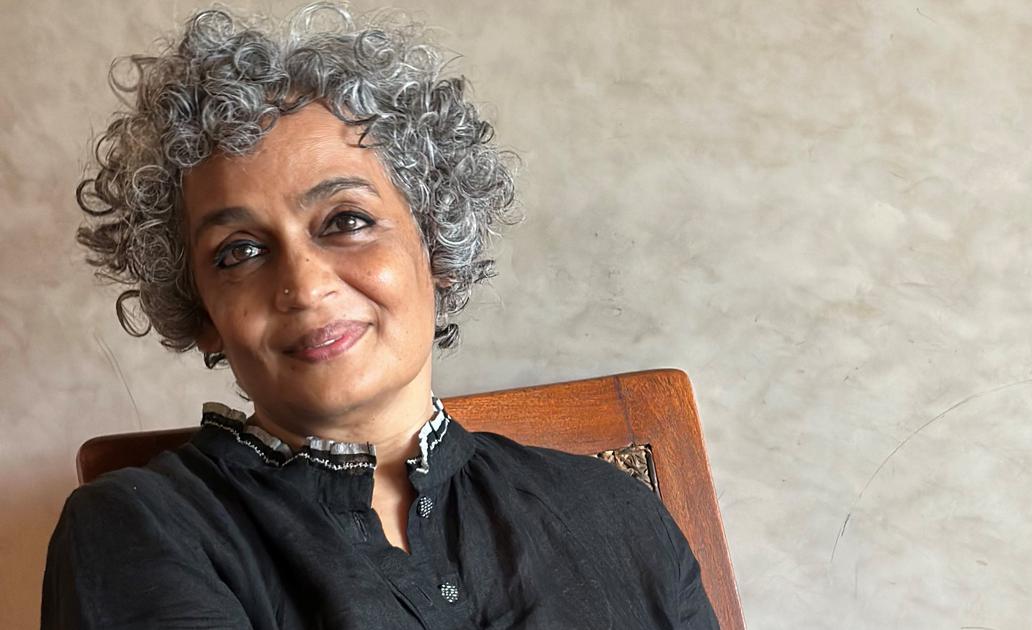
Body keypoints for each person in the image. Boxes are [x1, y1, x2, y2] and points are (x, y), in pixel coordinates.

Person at [40, 3, 719, 629]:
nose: (304, 285)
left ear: (437, 245)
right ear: (203, 314)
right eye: (239, 251)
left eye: (346, 221)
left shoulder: (614, 509)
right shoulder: (137, 529)